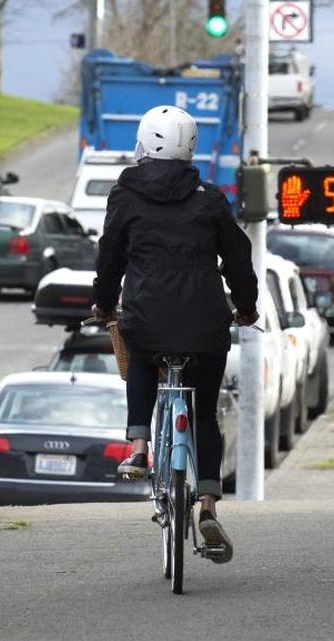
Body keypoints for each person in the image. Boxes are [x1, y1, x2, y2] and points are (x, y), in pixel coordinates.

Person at [91, 105, 259, 563]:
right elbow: (238, 258)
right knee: (204, 413)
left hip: (146, 316)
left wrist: (104, 304)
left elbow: (111, 257)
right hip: (206, 323)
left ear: (145, 143)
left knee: (142, 355)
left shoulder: (125, 195)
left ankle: (140, 445)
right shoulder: (208, 198)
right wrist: (246, 307)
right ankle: (207, 502)